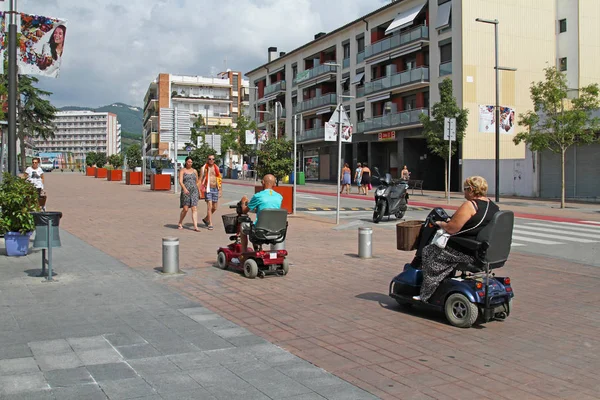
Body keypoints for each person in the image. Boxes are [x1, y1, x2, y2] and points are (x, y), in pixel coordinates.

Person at [414, 176, 499, 302]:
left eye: (465, 189)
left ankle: (426, 293)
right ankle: (442, 281)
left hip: (466, 251)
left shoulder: (470, 205)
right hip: (481, 250)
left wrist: (440, 223)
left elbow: (452, 229)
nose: (464, 192)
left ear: (471, 189)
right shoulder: (493, 206)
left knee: (428, 252)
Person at [239, 174, 283, 251]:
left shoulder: (258, 196)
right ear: (274, 184)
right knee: (253, 227)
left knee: (243, 227)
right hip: (276, 230)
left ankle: (243, 252)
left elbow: (244, 211)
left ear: (262, 182)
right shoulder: (279, 196)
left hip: (261, 230)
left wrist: (243, 202)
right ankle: (257, 249)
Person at [199, 154, 222, 230]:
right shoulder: (204, 168)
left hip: (215, 188)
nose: (211, 160)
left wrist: (220, 190)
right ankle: (210, 223)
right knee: (209, 206)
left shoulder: (216, 168)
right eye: (210, 159)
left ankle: (206, 219)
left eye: (213, 159)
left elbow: (219, 179)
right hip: (208, 189)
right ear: (207, 159)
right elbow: (200, 179)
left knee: (215, 207)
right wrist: (199, 189)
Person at [177, 156, 200, 231]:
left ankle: (195, 226)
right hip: (186, 191)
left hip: (194, 191)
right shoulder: (182, 171)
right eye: (188, 162)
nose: (190, 163)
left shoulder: (194, 171)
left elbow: (197, 181)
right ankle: (180, 222)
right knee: (185, 209)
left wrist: (199, 190)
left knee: (194, 208)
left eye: (191, 162)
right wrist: (184, 189)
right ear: (186, 162)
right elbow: (180, 181)